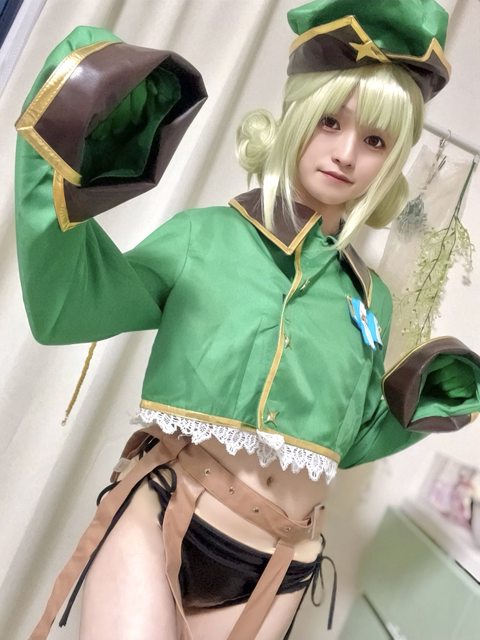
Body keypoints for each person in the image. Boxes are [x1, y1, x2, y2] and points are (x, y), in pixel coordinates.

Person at [14, 1, 480, 639]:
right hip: (165, 512)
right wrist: (59, 152)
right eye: (330, 121)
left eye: (375, 141)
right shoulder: (201, 236)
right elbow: (70, 305)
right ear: (297, 115)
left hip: (283, 560)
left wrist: (419, 406)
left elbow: (344, 444)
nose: (346, 154)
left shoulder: (373, 299)